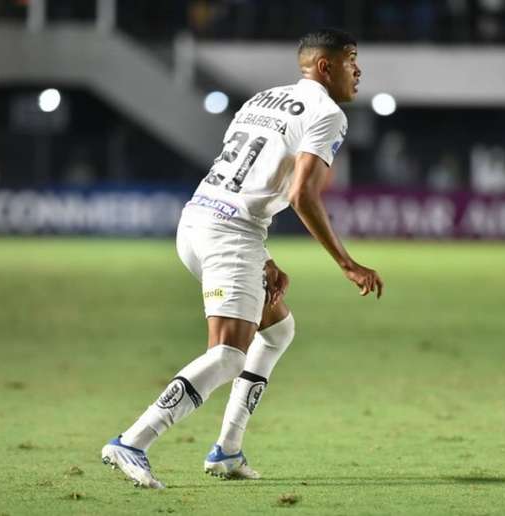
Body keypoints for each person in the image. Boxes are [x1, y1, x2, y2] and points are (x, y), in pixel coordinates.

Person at [101, 28, 383, 488]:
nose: (359, 69)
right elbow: (302, 195)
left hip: (200, 220)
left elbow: (245, 178)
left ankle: (227, 450)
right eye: (352, 58)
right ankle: (133, 441)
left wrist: (263, 257)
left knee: (278, 331)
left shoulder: (261, 99)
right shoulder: (327, 113)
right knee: (230, 355)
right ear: (325, 66)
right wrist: (348, 263)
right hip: (230, 235)